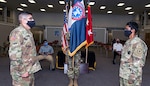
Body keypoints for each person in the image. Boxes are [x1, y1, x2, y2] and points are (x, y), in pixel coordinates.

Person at [9, 12, 41, 86]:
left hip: (29, 69)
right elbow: (14, 55)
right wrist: (22, 71)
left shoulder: (28, 32)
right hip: (22, 71)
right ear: (23, 20)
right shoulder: (17, 33)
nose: (33, 20)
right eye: (30, 19)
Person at [119, 22, 148, 86]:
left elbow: (138, 63)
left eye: (127, 29)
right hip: (124, 74)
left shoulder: (138, 43)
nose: (125, 30)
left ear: (133, 30)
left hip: (131, 76)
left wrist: (132, 77)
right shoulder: (128, 42)